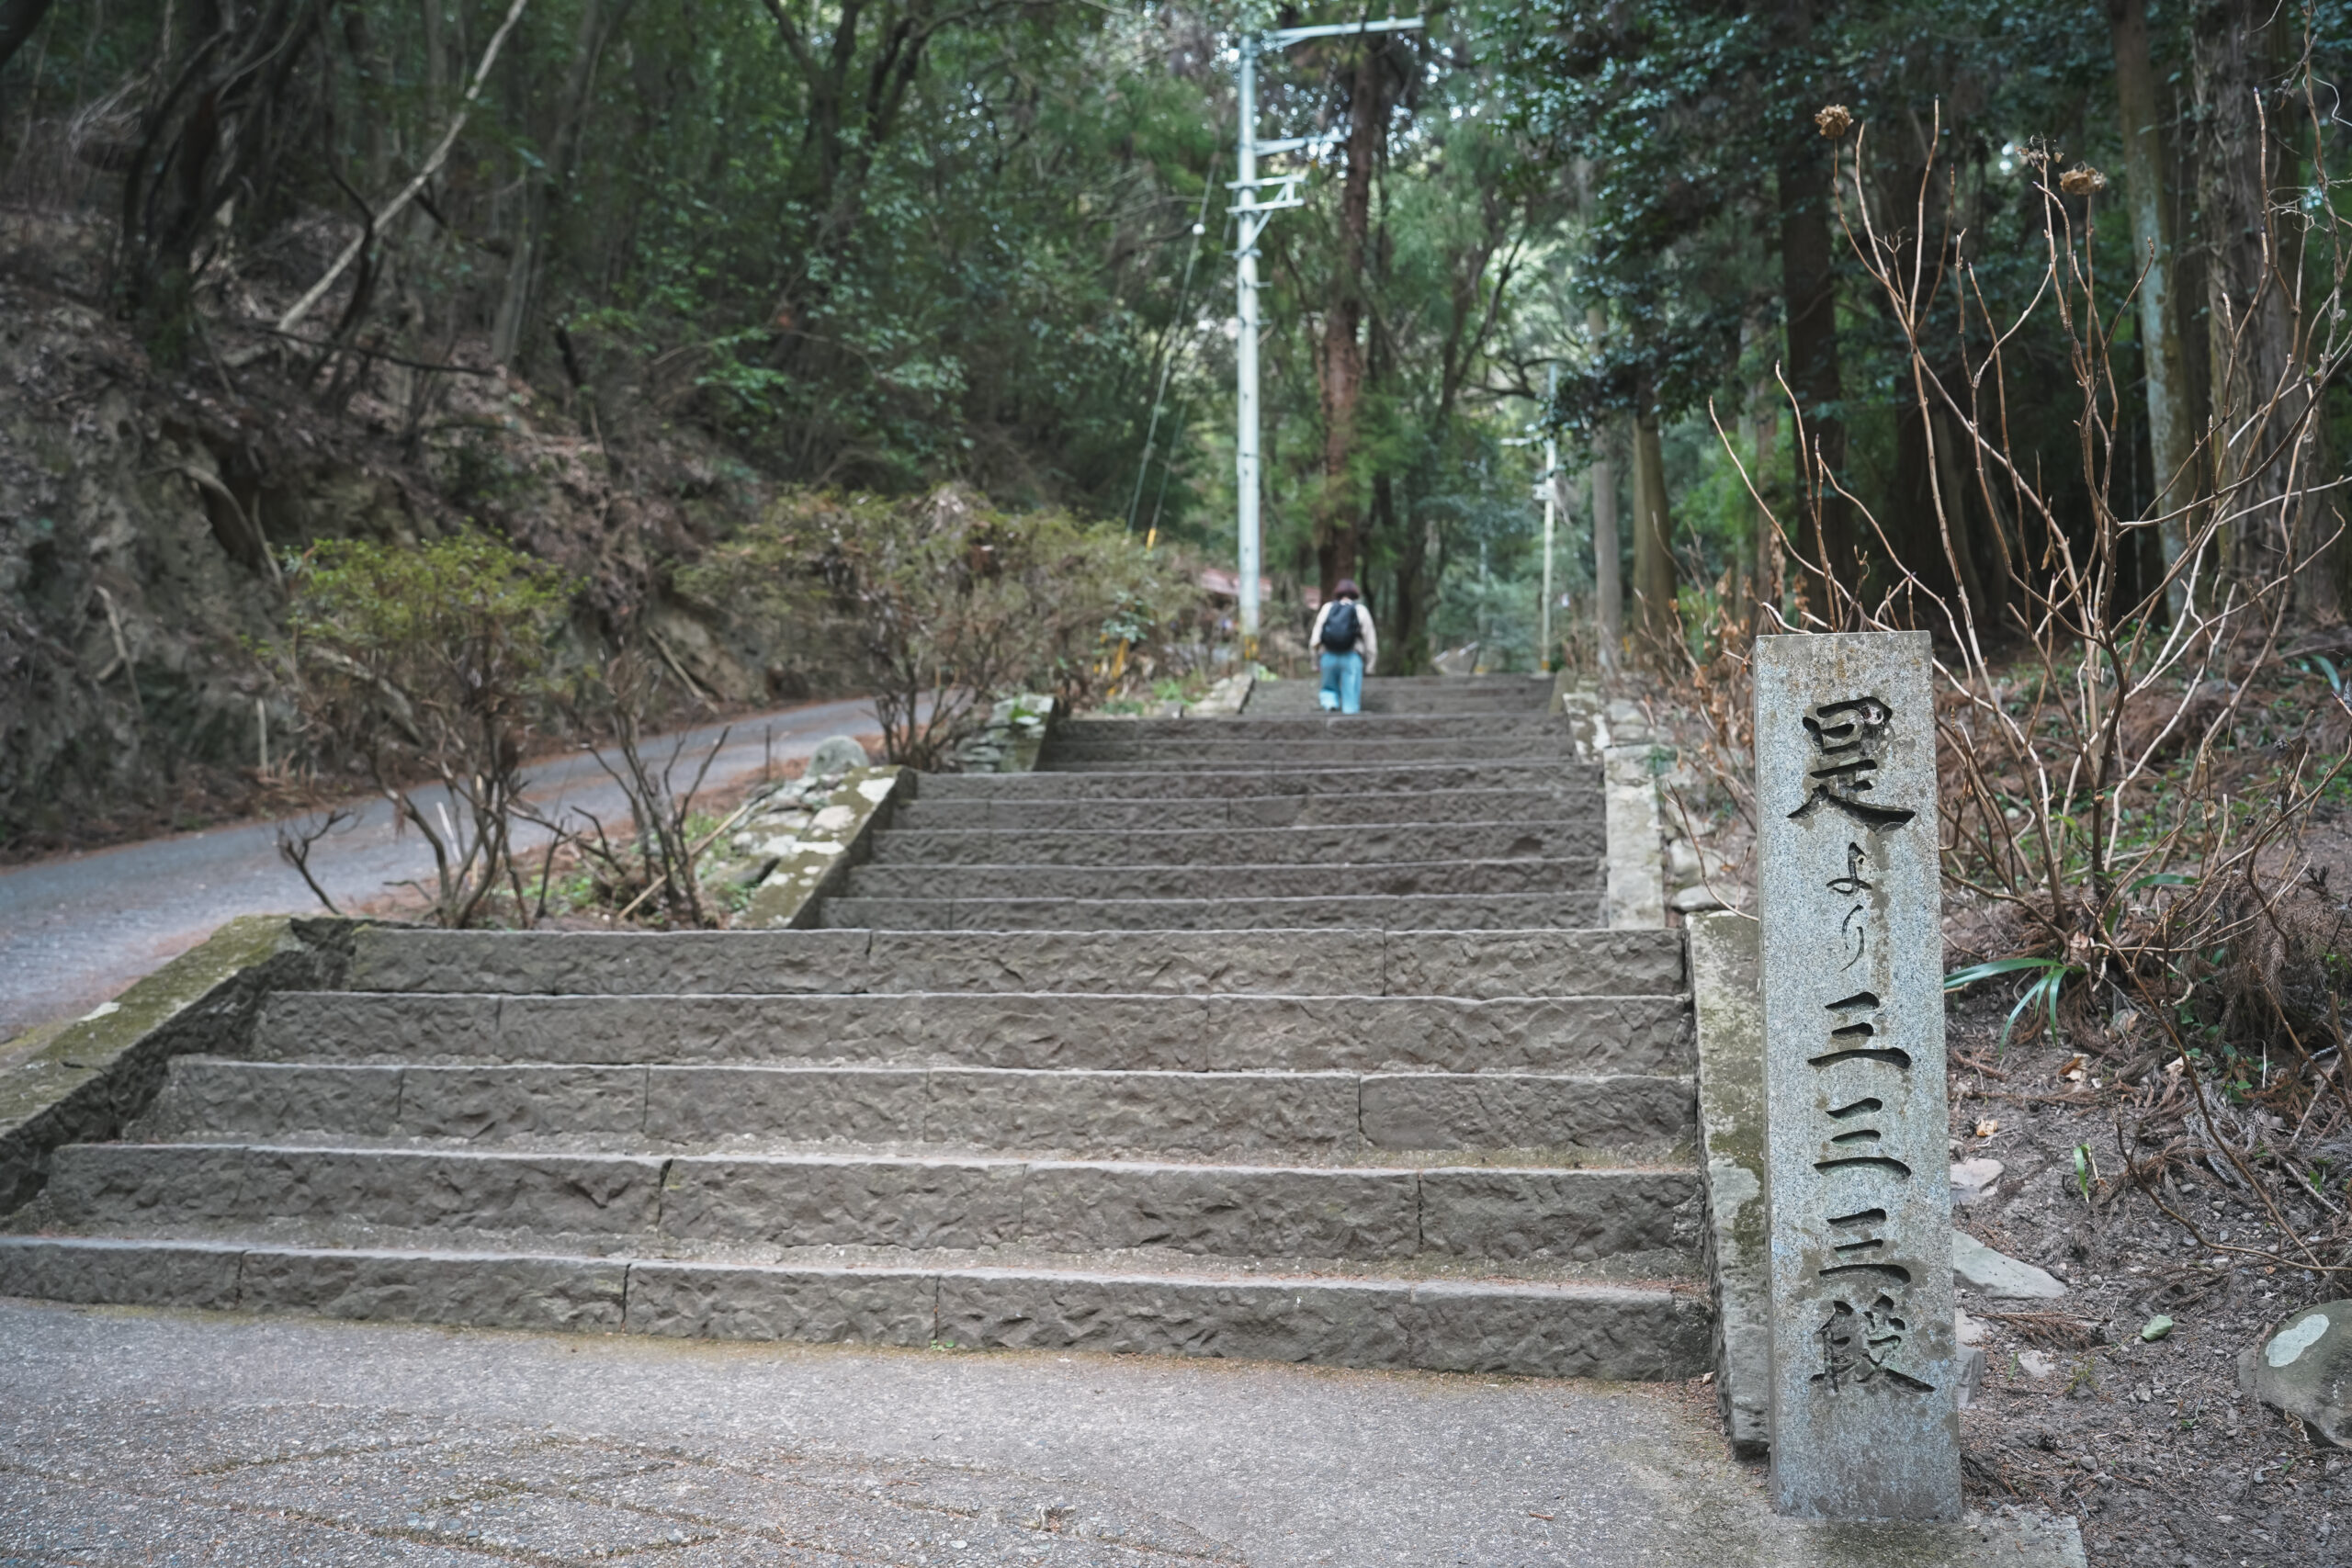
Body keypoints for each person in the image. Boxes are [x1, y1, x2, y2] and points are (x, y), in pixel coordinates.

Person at [1308, 579, 1376, 714]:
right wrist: (1370, 666)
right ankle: (1349, 718)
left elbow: (1315, 639)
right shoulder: (1360, 610)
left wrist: (1314, 662)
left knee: (1328, 688)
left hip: (1328, 656)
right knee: (1350, 694)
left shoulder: (1327, 608)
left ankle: (1330, 706)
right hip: (1352, 657)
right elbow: (1370, 642)